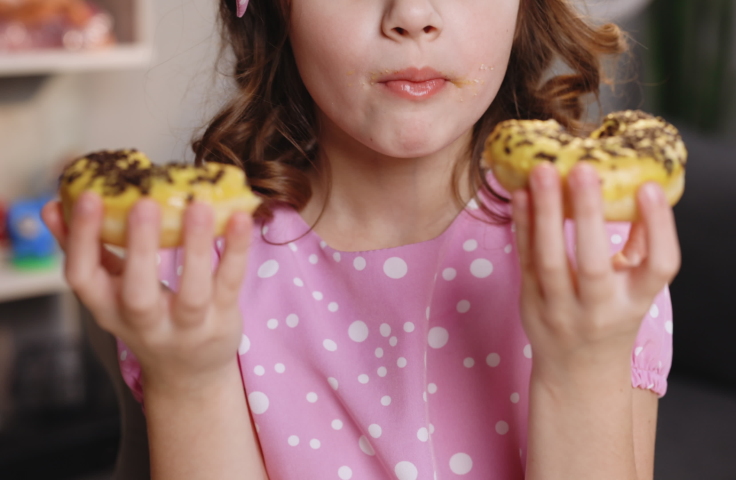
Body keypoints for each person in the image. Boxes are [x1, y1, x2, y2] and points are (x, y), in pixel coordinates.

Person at [42, 0, 680, 478]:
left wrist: (584, 363)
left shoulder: (593, 248)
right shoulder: (202, 264)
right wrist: (189, 380)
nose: (413, 16)